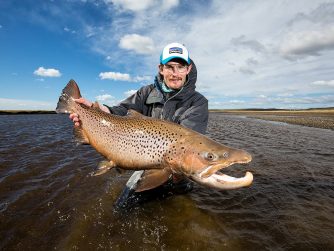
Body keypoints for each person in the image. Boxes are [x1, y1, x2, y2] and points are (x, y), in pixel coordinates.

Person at [69, 42, 208, 208]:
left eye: (180, 67)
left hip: (180, 173)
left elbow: (190, 147)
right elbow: (120, 111)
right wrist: (94, 109)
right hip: (149, 165)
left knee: (180, 210)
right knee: (122, 208)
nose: (175, 73)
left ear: (188, 69)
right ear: (161, 69)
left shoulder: (198, 102)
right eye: (170, 67)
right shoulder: (146, 92)